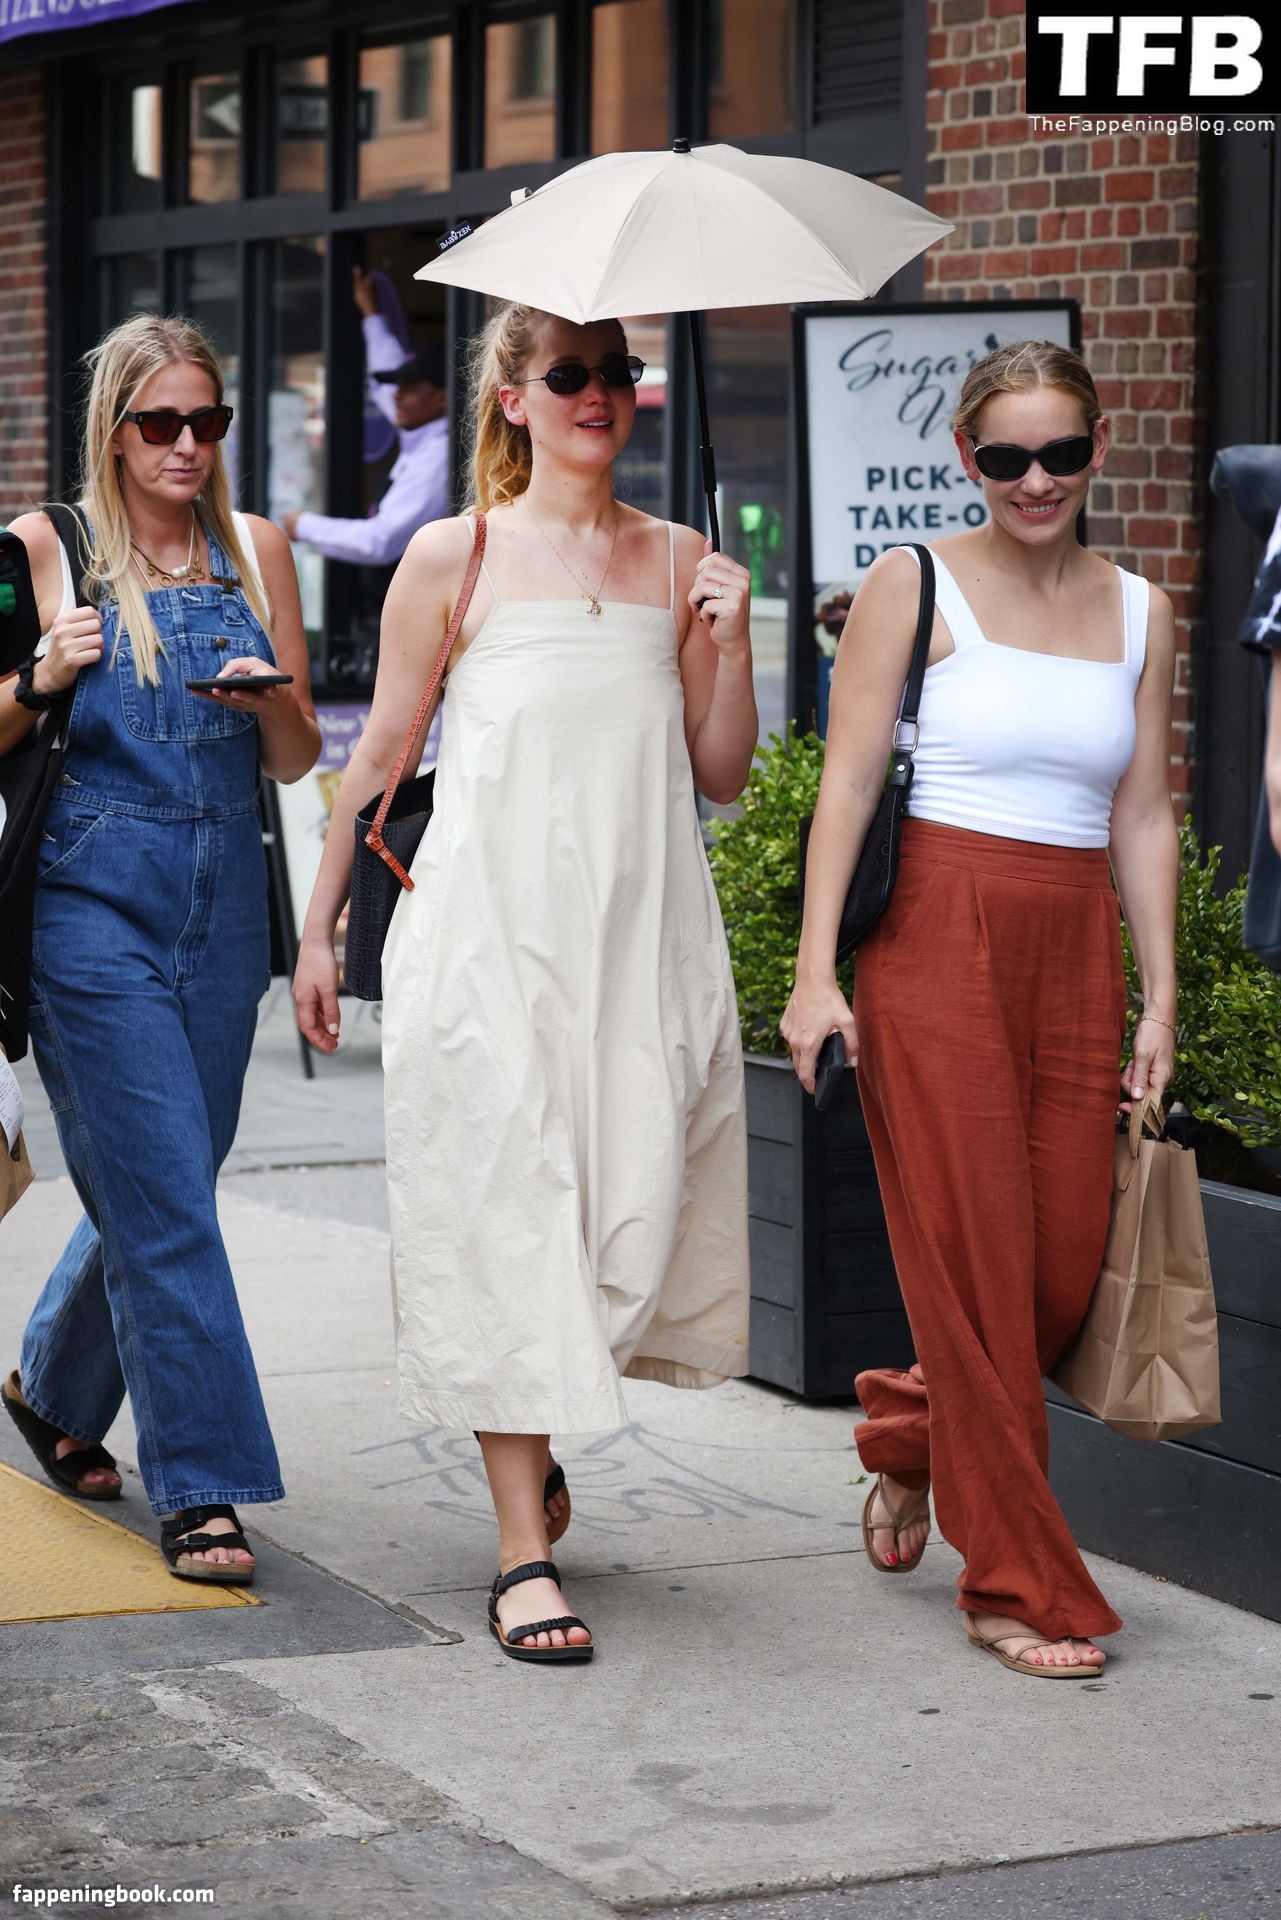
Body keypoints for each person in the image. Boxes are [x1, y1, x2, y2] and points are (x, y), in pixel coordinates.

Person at [292, 303, 755, 1662]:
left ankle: (533, 1438)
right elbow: (378, 755)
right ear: (511, 398)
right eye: (567, 375)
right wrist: (316, 933)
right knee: (505, 1220)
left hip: (638, 941)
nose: (597, 393)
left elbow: (722, 771)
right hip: (485, 940)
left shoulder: (681, 559)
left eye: (617, 372)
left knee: (626, 1224)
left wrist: (728, 645)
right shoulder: (458, 553)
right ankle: (521, 1551)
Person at [783, 340, 1178, 1679]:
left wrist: (1160, 996)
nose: (1034, 480)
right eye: (1005, 456)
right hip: (935, 939)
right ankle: (1015, 1583)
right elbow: (845, 787)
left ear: (1098, 446)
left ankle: (907, 1434)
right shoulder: (914, 581)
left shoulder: (1142, 611)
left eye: (1059, 453)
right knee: (974, 1262)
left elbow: (1143, 811)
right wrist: (815, 975)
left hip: (1074, 944)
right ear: (967, 457)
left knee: (1056, 1273)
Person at [0, 313, 320, 1583]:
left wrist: (268, 700)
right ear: (115, 432)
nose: (187, 445)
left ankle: (54, 1387)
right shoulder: (46, 547)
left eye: (207, 422)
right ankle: (204, 1485)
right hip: (87, 907)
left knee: (170, 1176)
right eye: (162, 424)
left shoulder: (259, 553)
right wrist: (40, 677)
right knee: (171, 1201)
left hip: (224, 904)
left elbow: (296, 759)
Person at [280, 269, 449, 569]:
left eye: (410, 388)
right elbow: (384, 381)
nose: (396, 396)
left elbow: (380, 541)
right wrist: (371, 314)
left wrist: (303, 525)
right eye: (398, 385)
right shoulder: (418, 425)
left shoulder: (439, 456)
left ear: (441, 398)